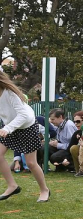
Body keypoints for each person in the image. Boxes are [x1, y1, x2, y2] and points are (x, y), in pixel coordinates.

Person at [0, 72, 50, 202]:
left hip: (26, 126)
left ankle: (44, 190)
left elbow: (24, 116)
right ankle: (12, 186)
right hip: (10, 126)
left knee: (31, 163)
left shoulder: (10, 93)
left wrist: (7, 128)